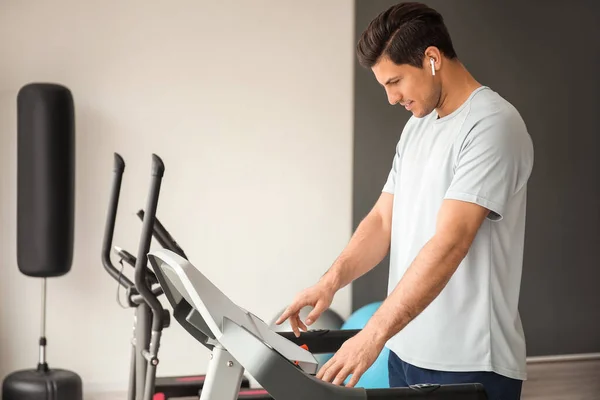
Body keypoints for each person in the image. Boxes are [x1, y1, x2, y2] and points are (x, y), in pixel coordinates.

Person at [275, 2, 534, 399]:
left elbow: (451, 242)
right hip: (405, 348)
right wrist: (330, 282)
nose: (391, 98)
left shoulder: (491, 125)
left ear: (432, 58)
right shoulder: (417, 128)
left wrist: (373, 333)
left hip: (468, 362)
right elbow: (383, 220)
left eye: (395, 81)